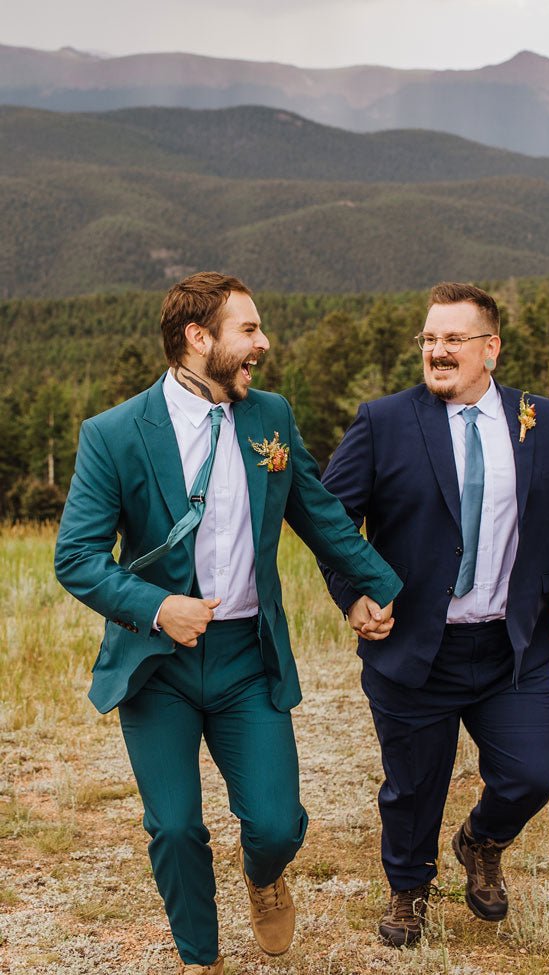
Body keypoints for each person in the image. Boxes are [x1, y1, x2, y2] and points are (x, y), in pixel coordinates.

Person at [54, 271, 401, 975]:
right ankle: (199, 958)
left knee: (276, 823)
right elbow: (76, 557)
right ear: (197, 338)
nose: (262, 343)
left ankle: (264, 872)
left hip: (249, 655)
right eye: (248, 330)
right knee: (175, 825)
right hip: (159, 664)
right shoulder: (114, 434)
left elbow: (320, 512)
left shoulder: (269, 415)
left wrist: (378, 587)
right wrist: (156, 605)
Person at [321, 281, 549, 947]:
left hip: (514, 645)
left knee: (536, 772)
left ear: (492, 347)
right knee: (413, 786)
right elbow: (329, 516)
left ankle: (481, 840)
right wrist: (355, 589)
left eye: (453, 338)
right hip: (414, 646)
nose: (437, 350)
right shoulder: (385, 420)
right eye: (428, 338)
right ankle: (409, 887)